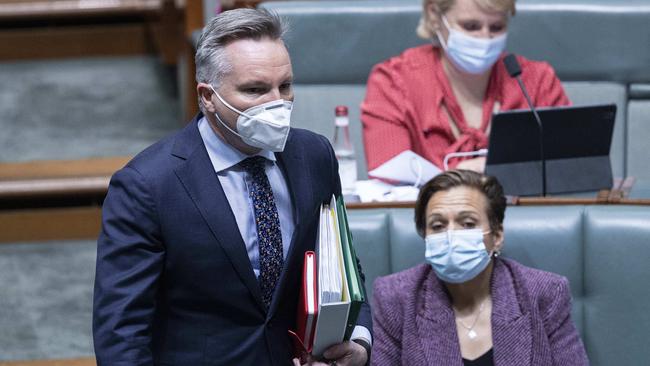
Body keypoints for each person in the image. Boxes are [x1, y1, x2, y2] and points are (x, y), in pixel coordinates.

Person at [93, 9, 371, 366]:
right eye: (255, 89)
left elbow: (343, 265)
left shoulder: (314, 156)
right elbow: (121, 333)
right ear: (207, 96)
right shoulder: (147, 186)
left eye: (285, 86)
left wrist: (359, 342)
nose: (277, 103)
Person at [371, 170, 588, 365]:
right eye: (438, 226)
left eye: (468, 224)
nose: (451, 236)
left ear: (497, 236)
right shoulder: (396, 298)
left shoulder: (544, 294)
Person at [361, 0, 570, 173]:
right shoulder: (394, 82)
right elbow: (389, 190)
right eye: (470, 26)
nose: (485, 38)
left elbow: (569, 170)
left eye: (497, 28)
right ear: (434, 15)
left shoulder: (537, 81)